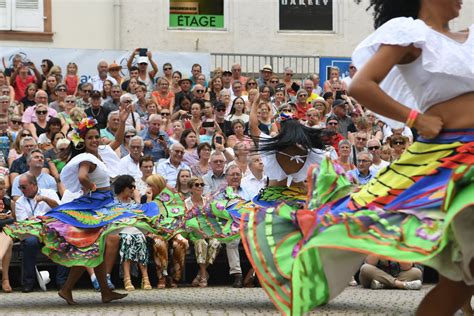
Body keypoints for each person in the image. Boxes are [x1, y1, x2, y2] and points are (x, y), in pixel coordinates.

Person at [242, 0, 474, 315]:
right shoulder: (412, 34)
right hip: (448, 158)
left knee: (462, 277)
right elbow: (362, 85)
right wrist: (415, 119)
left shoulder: (469, 37)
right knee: (460, 278)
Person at [0, 106, 160, 305]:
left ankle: (96, 291)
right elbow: (82, 175)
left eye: (96, 137)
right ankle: (75, 289)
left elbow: (118, 141)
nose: (95, 140)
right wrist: (89, 185)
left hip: (103, 203)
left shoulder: (101, 152)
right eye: (91, 137)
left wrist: (122, 119)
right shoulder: (86, 157)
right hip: (94, 205)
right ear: (84, 140)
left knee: (95, 249)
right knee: (92, 249)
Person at [114, 175, 152, 291]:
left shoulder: (134, 203)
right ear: (123, 187)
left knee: (140, 238)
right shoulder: (114, 203)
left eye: (134, 187)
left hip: (135, 230)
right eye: (131, 186)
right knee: (128, 239)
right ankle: (127, 277)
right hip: (120, 230)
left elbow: (145, 217)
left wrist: (138, 201)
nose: (133, 189)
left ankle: (145, 277)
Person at [184, 176, 221, 288]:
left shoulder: (208, 201)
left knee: (216, 243)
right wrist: (199, 231)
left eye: (201, 184)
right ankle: (204, 275)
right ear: (190, 188)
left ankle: (200, 273)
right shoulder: (186, 203)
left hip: (208, 230)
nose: (200, 186)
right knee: (202, 243)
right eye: (196, 185)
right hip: (194, 231)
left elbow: (213, 218)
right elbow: (186, 223)